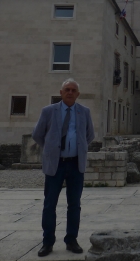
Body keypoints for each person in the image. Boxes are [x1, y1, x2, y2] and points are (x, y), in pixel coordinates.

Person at [32, 79, 95, 257]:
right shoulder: (48, 111)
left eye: (73, 90)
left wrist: (77, 147)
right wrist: (51, 149)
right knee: (49, 204)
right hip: (56, 164)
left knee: (74, 205)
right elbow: (37, 134)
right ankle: (47, 242)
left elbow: (89, 135)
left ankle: (71, 240)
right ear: (61, 92)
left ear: (78, 94)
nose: (70, 92)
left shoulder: (84, 112)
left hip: (75, 164)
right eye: (67, 89)